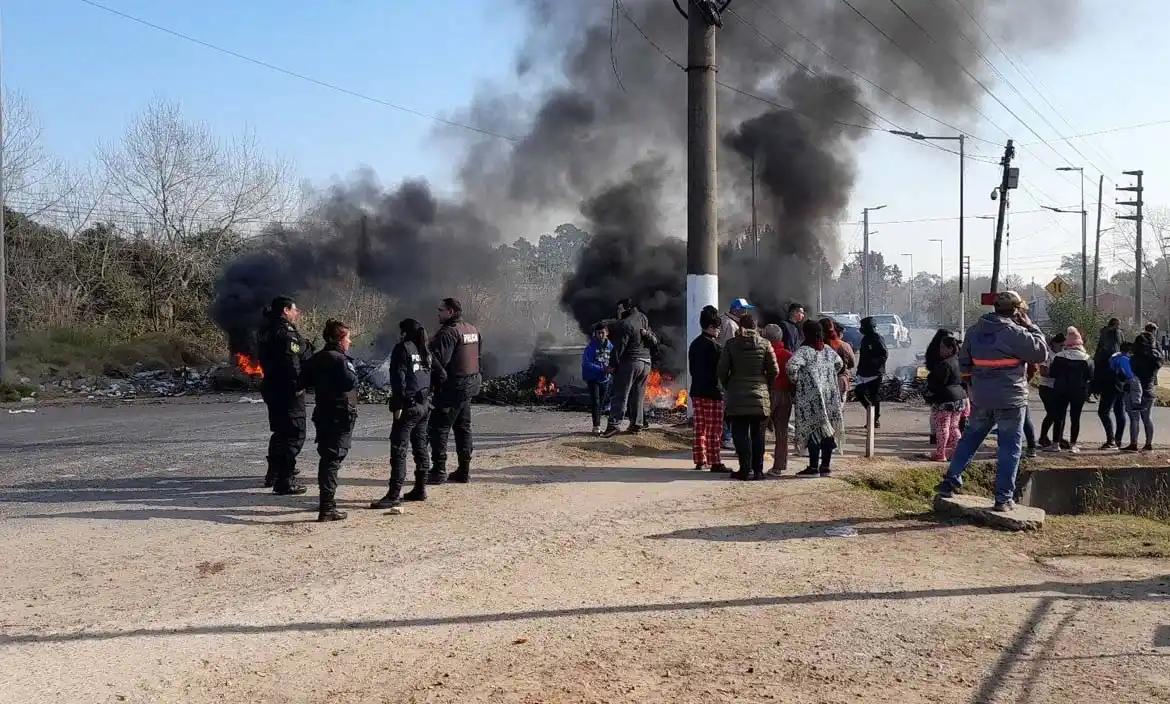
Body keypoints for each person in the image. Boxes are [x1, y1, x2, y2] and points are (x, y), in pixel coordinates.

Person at [935, 291, 1047, 512]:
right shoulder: (1016, 332)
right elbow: (1040, 353)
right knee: (1009, 448)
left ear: (995, 308)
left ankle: (950, 482)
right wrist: (1032, 326)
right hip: (1010, 399)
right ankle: (1003, 498)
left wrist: (974, 387)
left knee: (969, 440)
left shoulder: (975, 331)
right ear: (1016, 310)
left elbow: (964, 363)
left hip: (981, 397)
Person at [300, 319, 358, 522]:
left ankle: (326, 503)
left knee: (328, 458)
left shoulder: (316, 359)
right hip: (339, 414)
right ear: (340, 339)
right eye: (348, 338)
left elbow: (303, 381)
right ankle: (327, 507)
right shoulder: (340, 360)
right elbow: (351, 381)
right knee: (332, 460)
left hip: (323, 412)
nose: (350, 342)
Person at [372, 318, 433, 509]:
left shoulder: (403, 348)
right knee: (421, 448)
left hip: (408, 407)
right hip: (424, 406)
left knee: (399, 450)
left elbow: (398, 379)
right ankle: (420, 489)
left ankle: (393, 494)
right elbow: (439, 374)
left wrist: (398, 404)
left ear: (404, 332)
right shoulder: (425, 349)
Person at [256, 295, 313, 495]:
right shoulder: (286, 332)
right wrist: (299, 384)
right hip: (287, 389)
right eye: (294, 310)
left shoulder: (266, 329)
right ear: (286, 310)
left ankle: (274, 472)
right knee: (294, 434)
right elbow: (292, 363)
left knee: (280, 432)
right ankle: (285, 480)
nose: (297, 313)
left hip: (272, 386)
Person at [717, 311, 779, 480]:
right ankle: (758, 471)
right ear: (755, 326)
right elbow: (774, 370)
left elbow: (722, 370)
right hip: (760, 398)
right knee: (758, 436)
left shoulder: (731, 344)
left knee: (740, 435)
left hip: (737, 396)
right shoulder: (765, 344)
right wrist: (766, 386)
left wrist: (729, 385)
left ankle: (745, 470)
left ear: (741, 326)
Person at [427, 297, 482, 485]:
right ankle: (464, 471)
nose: (438, 313)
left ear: (450, 311)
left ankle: (438, 470)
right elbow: (477, 355)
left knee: (439, 428)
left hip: (452, 388)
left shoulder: (448, 333)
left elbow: (438, 362)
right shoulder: (472, 330)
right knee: (463, 428)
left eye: (441, 310)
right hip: (469, 386)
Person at [788, 319, 844, 478]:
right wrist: (827, 376)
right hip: (829, 396)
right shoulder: (828, 350)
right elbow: (839, 364)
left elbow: (791, 367)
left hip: (810, 398)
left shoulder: (804, 351)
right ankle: (825, 466)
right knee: (827, 431)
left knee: (813, 430)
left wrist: (800, 381)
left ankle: (813, 467)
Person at [601, 298, 656, 438]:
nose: (617, 312)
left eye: (619, 309)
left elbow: (619, 348)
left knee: (620, 394)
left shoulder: (625, 324)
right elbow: (650, 339)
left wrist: (612, 366)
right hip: (646, 363)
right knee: (638, 395)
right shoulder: (643, 317)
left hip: (631, 362)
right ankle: (636, 425)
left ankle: (614, 425)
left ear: (626, 308)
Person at [688, 309, 728, 473]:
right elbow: (722, 371)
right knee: (714, 428)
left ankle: (700, 459)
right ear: (711, 327)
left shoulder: (694, 344)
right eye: (718, 328)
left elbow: (692, 370)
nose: (719, 331)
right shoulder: (716, 347)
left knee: (700, 427)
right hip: (713, 391)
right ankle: (715, 461)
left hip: (697, 390)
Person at [1046, 327, 1093, 454]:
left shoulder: (1059, 356)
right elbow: (1090, 376)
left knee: (1059, 417)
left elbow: (1053, 373)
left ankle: (1056, 444)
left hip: (1061, 390)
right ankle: (1073, 445)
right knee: (1075, 418)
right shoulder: (1086, 358)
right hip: (1078, 391)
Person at [716, 299, 753, 449]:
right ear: (735, 310)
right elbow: (729, 350)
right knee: (728, 405)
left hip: (726, 370)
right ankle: (727, 437)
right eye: (743, 310)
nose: (745, 313)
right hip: (728, 371)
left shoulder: (726, 321)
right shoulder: (730, 325)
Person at [924, 334, 967, 461]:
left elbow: (937, 383)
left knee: (942, 427)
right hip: (959, 398)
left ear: (950, 349)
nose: (940, 350)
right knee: (954, 427)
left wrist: (929, 391)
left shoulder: (945, 364)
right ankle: (956, 453)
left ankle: (940, 454)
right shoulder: (959, 361)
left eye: (943, 348)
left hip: (945, 400)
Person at [763, 324, 794, 476]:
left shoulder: (764, 353)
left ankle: (755, 464)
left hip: (767, 394)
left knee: (759, 429)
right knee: (782, 431)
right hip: (786, 394)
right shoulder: (788, 355)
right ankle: (779, 466)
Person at [1126, 334, 1162, 451]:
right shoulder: (1155, 359)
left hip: (1135, 391)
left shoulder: (1134, 359)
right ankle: (1148, 443)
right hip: (1149, 391)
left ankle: (1134, 443)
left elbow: (1131, 374)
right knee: (1147, 418)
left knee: (1134, 418)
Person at [855, 316, 888, 429]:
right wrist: (859, 369)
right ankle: (871, 410)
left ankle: (875, 419)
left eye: (863, 327)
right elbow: (863, 356)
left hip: (875, 373)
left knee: (874, 396)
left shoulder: (877, 338)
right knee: (858, 392)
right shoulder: (865, 339)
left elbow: (884, 355)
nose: (861, 329)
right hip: (863, 373)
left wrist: (873, 364)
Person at [581, 323, 614, 435]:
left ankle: (599, 423)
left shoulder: (610, 346)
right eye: (598, 333)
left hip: (605, 378)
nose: (600, 335)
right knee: (596, 402)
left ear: (607, 333)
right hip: (592, 377)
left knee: (602, 402)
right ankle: (596, 426)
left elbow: (614, 359)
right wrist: (602, 369)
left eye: (602, 333)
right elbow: (587, 363)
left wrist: (612, 369)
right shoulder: (591, 347)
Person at [924, 328, 954, 445]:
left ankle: (935, 435)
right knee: (940, 412)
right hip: (941, 383)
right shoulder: (942, 352)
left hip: (936, 382)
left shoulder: (933, 349)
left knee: (936, 411)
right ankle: (939, 436)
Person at [1035, 333, 1065, 449]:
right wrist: (1057, 372)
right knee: (1052, 414)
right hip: (1047, 387)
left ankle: (1059, 438)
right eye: (1061, 345)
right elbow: (1043, 372)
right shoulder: (1047, 355)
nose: (1062, 347)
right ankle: (1043, 437)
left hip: (1059, 387)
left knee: (1060, 415)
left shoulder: (1063, 355)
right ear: (1054, 344)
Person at [1098, 342, 1129, 450]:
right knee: (1119, 411)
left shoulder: (1115, 357)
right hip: (1120, 386)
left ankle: (1111, 440)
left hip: (1110, 386)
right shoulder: (1124, 358)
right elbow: (1129, 375)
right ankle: (1117, 440)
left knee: (1104, 412)